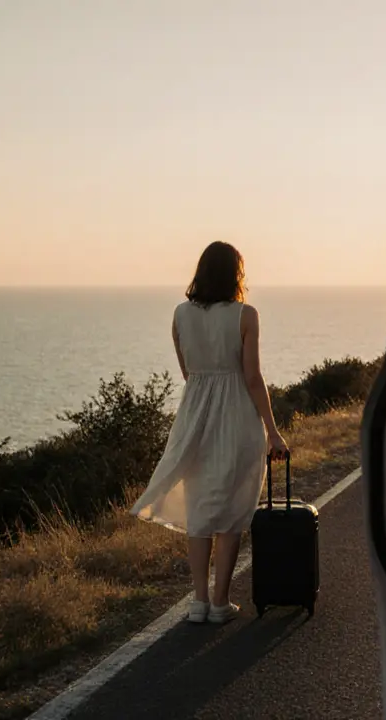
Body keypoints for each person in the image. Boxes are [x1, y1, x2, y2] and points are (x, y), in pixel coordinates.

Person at [130, 241, 290, 624]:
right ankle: (220, 602)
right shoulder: (246, 315)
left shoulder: (180, 314)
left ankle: (198, 601)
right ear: (236, 274)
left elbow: (188, 372)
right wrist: (273, 432)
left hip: (195, 416)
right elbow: (253, 378)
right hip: (237, 416)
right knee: (232, 508)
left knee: (200, 506)